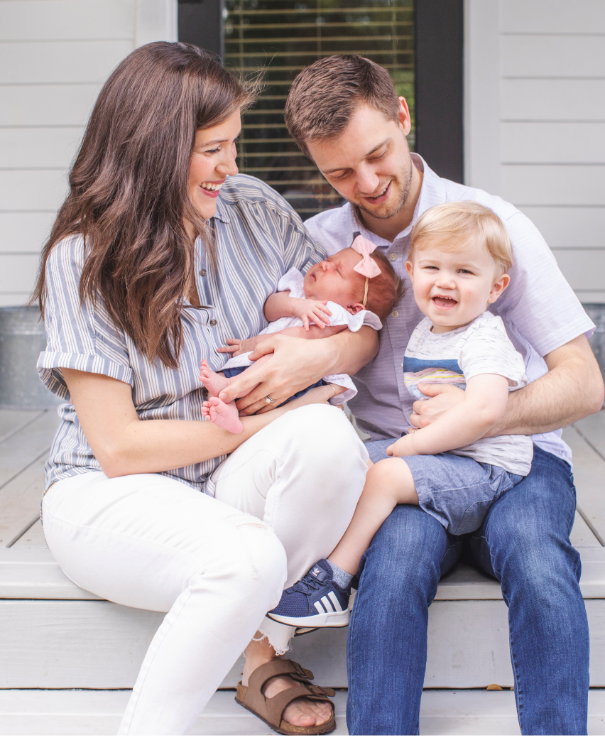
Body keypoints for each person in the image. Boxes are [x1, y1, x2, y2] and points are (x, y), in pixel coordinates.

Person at [33, 43, 377, 736]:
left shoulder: (250, 208)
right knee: (246, 554)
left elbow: (354, 324)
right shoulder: (83, 258)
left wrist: (314, 363)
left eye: (234, 145)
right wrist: (267, 421)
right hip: (109, 493)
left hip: (225, 480)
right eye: (213, 149)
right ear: (154, 151)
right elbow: (121, 448)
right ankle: (255, 661)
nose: (231, 167)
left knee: (329, 440)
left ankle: (261, 645)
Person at [276, 54, 605, 735]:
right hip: (404, 474)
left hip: (516, 459)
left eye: (377, 155)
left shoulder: (489, 224)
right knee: (391, 570)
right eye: (339, 172)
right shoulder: (321, 251)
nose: (365, 184)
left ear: (402, 117)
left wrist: (479, 416)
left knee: (538, 560)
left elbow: (582, 382)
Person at [268, 201, 533, 629]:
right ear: (411, 271)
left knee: (386, 474)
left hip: (486, 468)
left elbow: (486, 410)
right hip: (445, 460)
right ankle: (291, 559)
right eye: (433, 268)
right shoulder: (428, 332)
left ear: (495, 288)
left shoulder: (484, 337)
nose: (446, 281)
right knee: (345, 458)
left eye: (464, 272)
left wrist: (410, 447)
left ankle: (333, 580)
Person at [200, 237, 399, 432]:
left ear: (354, 308)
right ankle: (229, 414)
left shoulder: (336, 314)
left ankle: (228, 388)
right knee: (222, 382)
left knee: (267, 363)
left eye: (337, 270)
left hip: (297, 378)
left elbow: (297, 338)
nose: (323, 265)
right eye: (329, 260)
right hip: (268, 369)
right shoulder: (299, 292)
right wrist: (296, 306)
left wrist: (250, 344)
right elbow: (270, 307)